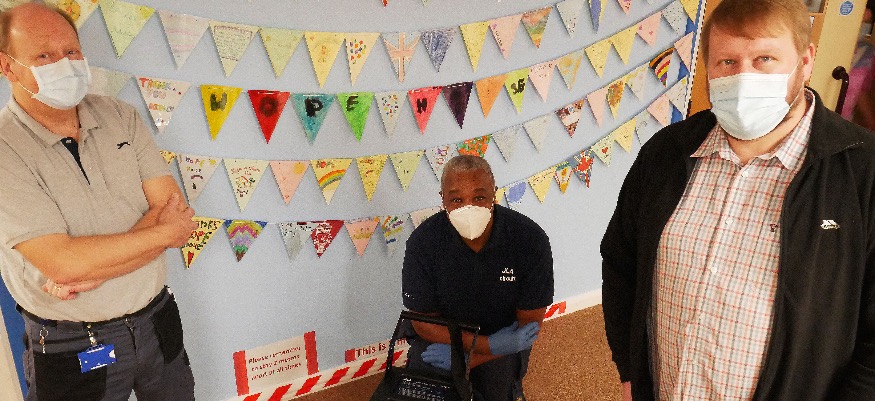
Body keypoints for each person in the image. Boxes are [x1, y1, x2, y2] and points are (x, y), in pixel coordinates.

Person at [601, 0, 875, 400]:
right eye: (727, 62)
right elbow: (621, 263)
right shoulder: (665, 153)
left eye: (765, 59)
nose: (744, 77)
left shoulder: (864, 174)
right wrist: (630, 372)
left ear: (805, 61)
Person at [0, 4, 197, 400]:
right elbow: (62, 262)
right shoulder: (6, 148)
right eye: (44, 55)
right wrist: (165, 234)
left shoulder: (121, 116)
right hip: (72, 342)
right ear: (7, 67)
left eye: (71, 51)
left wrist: (93, 271)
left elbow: (172, 207)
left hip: (157, 318)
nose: (64, 64)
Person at [401, 155, 554, 401]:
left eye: (479, 197)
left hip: (504, 337)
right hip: (442, 337)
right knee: (427, 390)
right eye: (456, 199)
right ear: (443, 199)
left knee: (495, 390)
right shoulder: (423, 243)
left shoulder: (529, 239)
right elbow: (423, 323)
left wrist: (474, 357)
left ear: (494, 194)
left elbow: (529, 324)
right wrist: (482, 346)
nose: (468, 208)